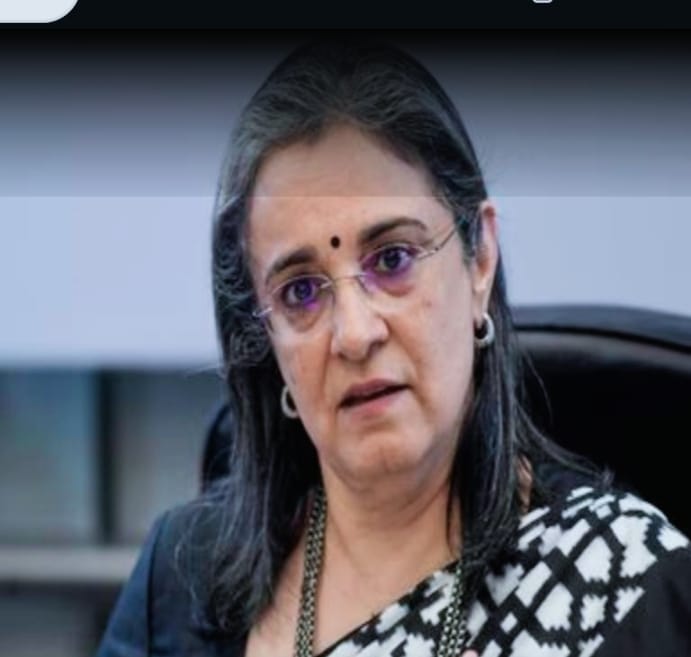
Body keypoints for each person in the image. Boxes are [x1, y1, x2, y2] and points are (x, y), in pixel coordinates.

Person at [95, 39, 691, 657]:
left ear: (480, 258)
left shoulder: (623, 584)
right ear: (265, 335)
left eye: (393, 259)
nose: (355, 334)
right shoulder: (180, 577)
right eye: (301, 291)